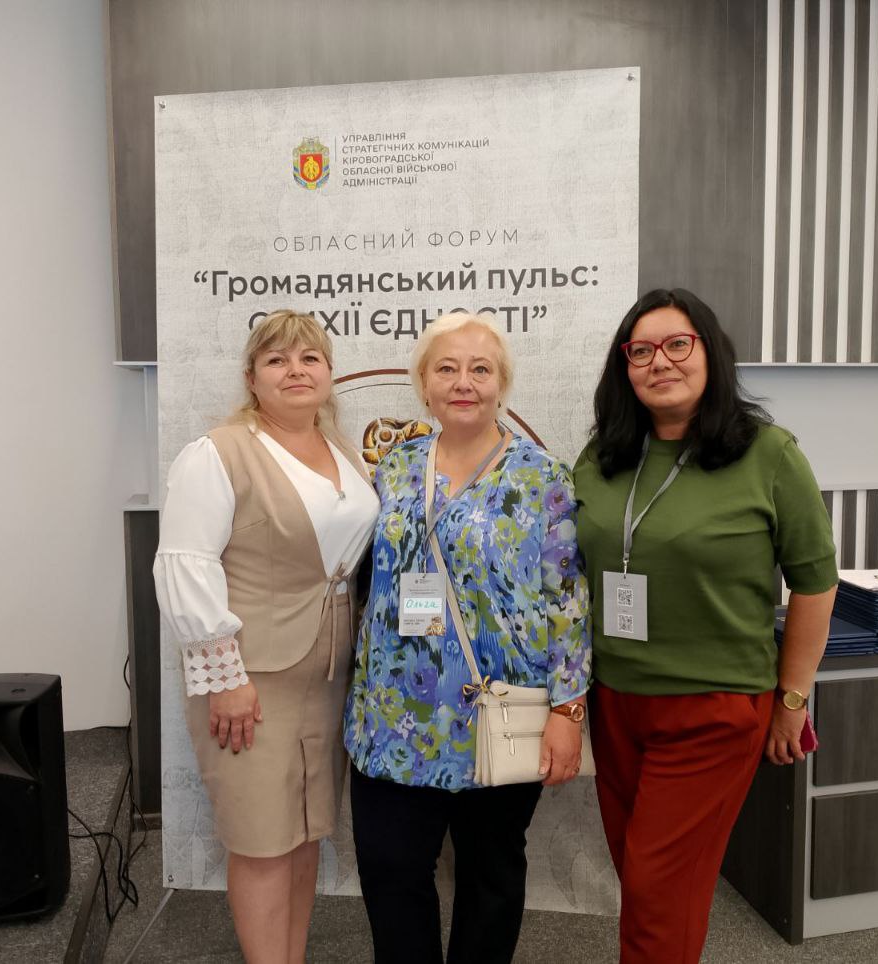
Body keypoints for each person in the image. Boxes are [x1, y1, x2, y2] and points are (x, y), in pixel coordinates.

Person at [573, 288, 838, 963]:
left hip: (713, 706)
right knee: (643, 880)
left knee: (657, 892)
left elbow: (815, 582)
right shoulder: (602, 459)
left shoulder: (769, 455)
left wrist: (793, 699)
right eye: (641, 351)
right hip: (615, 702)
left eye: (676, 344)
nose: (659, 362)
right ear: (624, 367)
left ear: (710, 353)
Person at [344, 311, 592, 964]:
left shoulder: (542, 477)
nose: (464, 382)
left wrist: (569, 711)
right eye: (447, 368)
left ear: (501, 384)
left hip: (499, 710)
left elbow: (567, 600)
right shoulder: (394, 468)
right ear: (423, 384)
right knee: (392, 872)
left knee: (491, 877)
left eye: (480, 369)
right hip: (396, 716)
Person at [154, 310, 379, 964]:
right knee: (261, 843)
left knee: (304, 835)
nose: (295, 370)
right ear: (252, 378)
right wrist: (226, 679)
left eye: (310, 358)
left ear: (329, 373)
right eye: (277, 360)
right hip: (251, 677)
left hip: (329, 674)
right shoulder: (218, 453)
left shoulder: (343, 453)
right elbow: (185, 565)